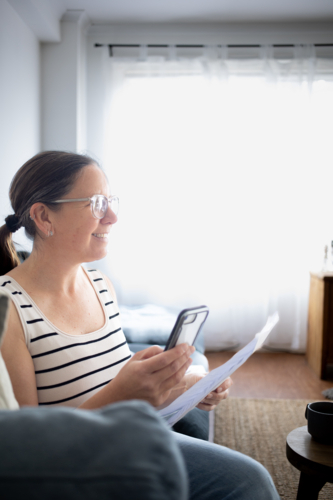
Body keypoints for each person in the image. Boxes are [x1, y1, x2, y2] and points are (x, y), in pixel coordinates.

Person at [0, 151, 280, 500]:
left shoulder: (100, 285)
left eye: (111, 201)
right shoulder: (9, 310)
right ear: (43, 216)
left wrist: (192, 385)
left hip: (131, 440)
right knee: (247, 483)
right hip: (80, 469)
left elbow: (125, 390)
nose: (113, 216)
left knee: (251, 477)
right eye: (97, 203)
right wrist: (122, 394)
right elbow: (25, 450)